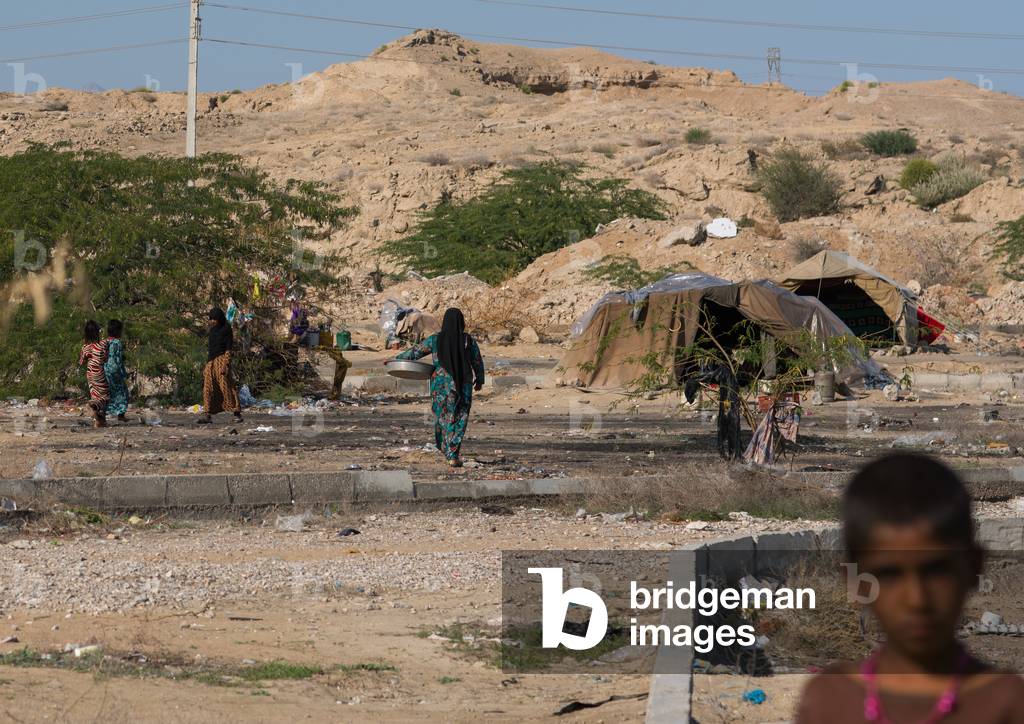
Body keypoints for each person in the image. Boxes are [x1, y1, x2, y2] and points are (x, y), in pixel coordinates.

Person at [796, 453, 1024, 723]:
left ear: (974, 567)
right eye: (889, 575)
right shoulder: (830, 702)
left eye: (936, 571)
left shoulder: (1006, 705)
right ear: (855, 581)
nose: (917, 600)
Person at [396, 308, 484, 467]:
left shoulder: (435, 340)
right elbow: (477, 361)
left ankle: (442, 449)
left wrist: (395, 360)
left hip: (441, 385)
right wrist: (480, 380)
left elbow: (415, 353)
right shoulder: (467, 341)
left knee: (441, 417)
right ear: (461, 322)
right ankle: (452, 455)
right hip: (463, 383)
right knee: (460, 417)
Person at [197, 308, 243, 425]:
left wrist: (225, 364)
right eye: (211, 319)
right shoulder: (212, 331)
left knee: (226, 386)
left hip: (222, 360)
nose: (212, 321)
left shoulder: (226, 329)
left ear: (219, 319)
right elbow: (211, 349)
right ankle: (207, 414)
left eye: (214, 319)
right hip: (211, 362)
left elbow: (228, 348)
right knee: (208, 388)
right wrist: (207, 366)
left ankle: (236, 413)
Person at [78, 320, 110, 428]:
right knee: (104, 396)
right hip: (99, 371)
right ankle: (95, 409)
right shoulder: (102, 345)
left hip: (90, 372)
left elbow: (81, 362)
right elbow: (106, 358)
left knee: (95, 395)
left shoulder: (85, 347)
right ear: (97, 332)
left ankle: (99, 422)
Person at [104, 319, 129, 423]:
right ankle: (121, 414)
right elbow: (118, 359)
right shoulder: (117, 343)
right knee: (122, 392)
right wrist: (123, 372)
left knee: (107, 392)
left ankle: (103, 414)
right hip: (115, 370)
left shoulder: (105, 342)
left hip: (105, 369)